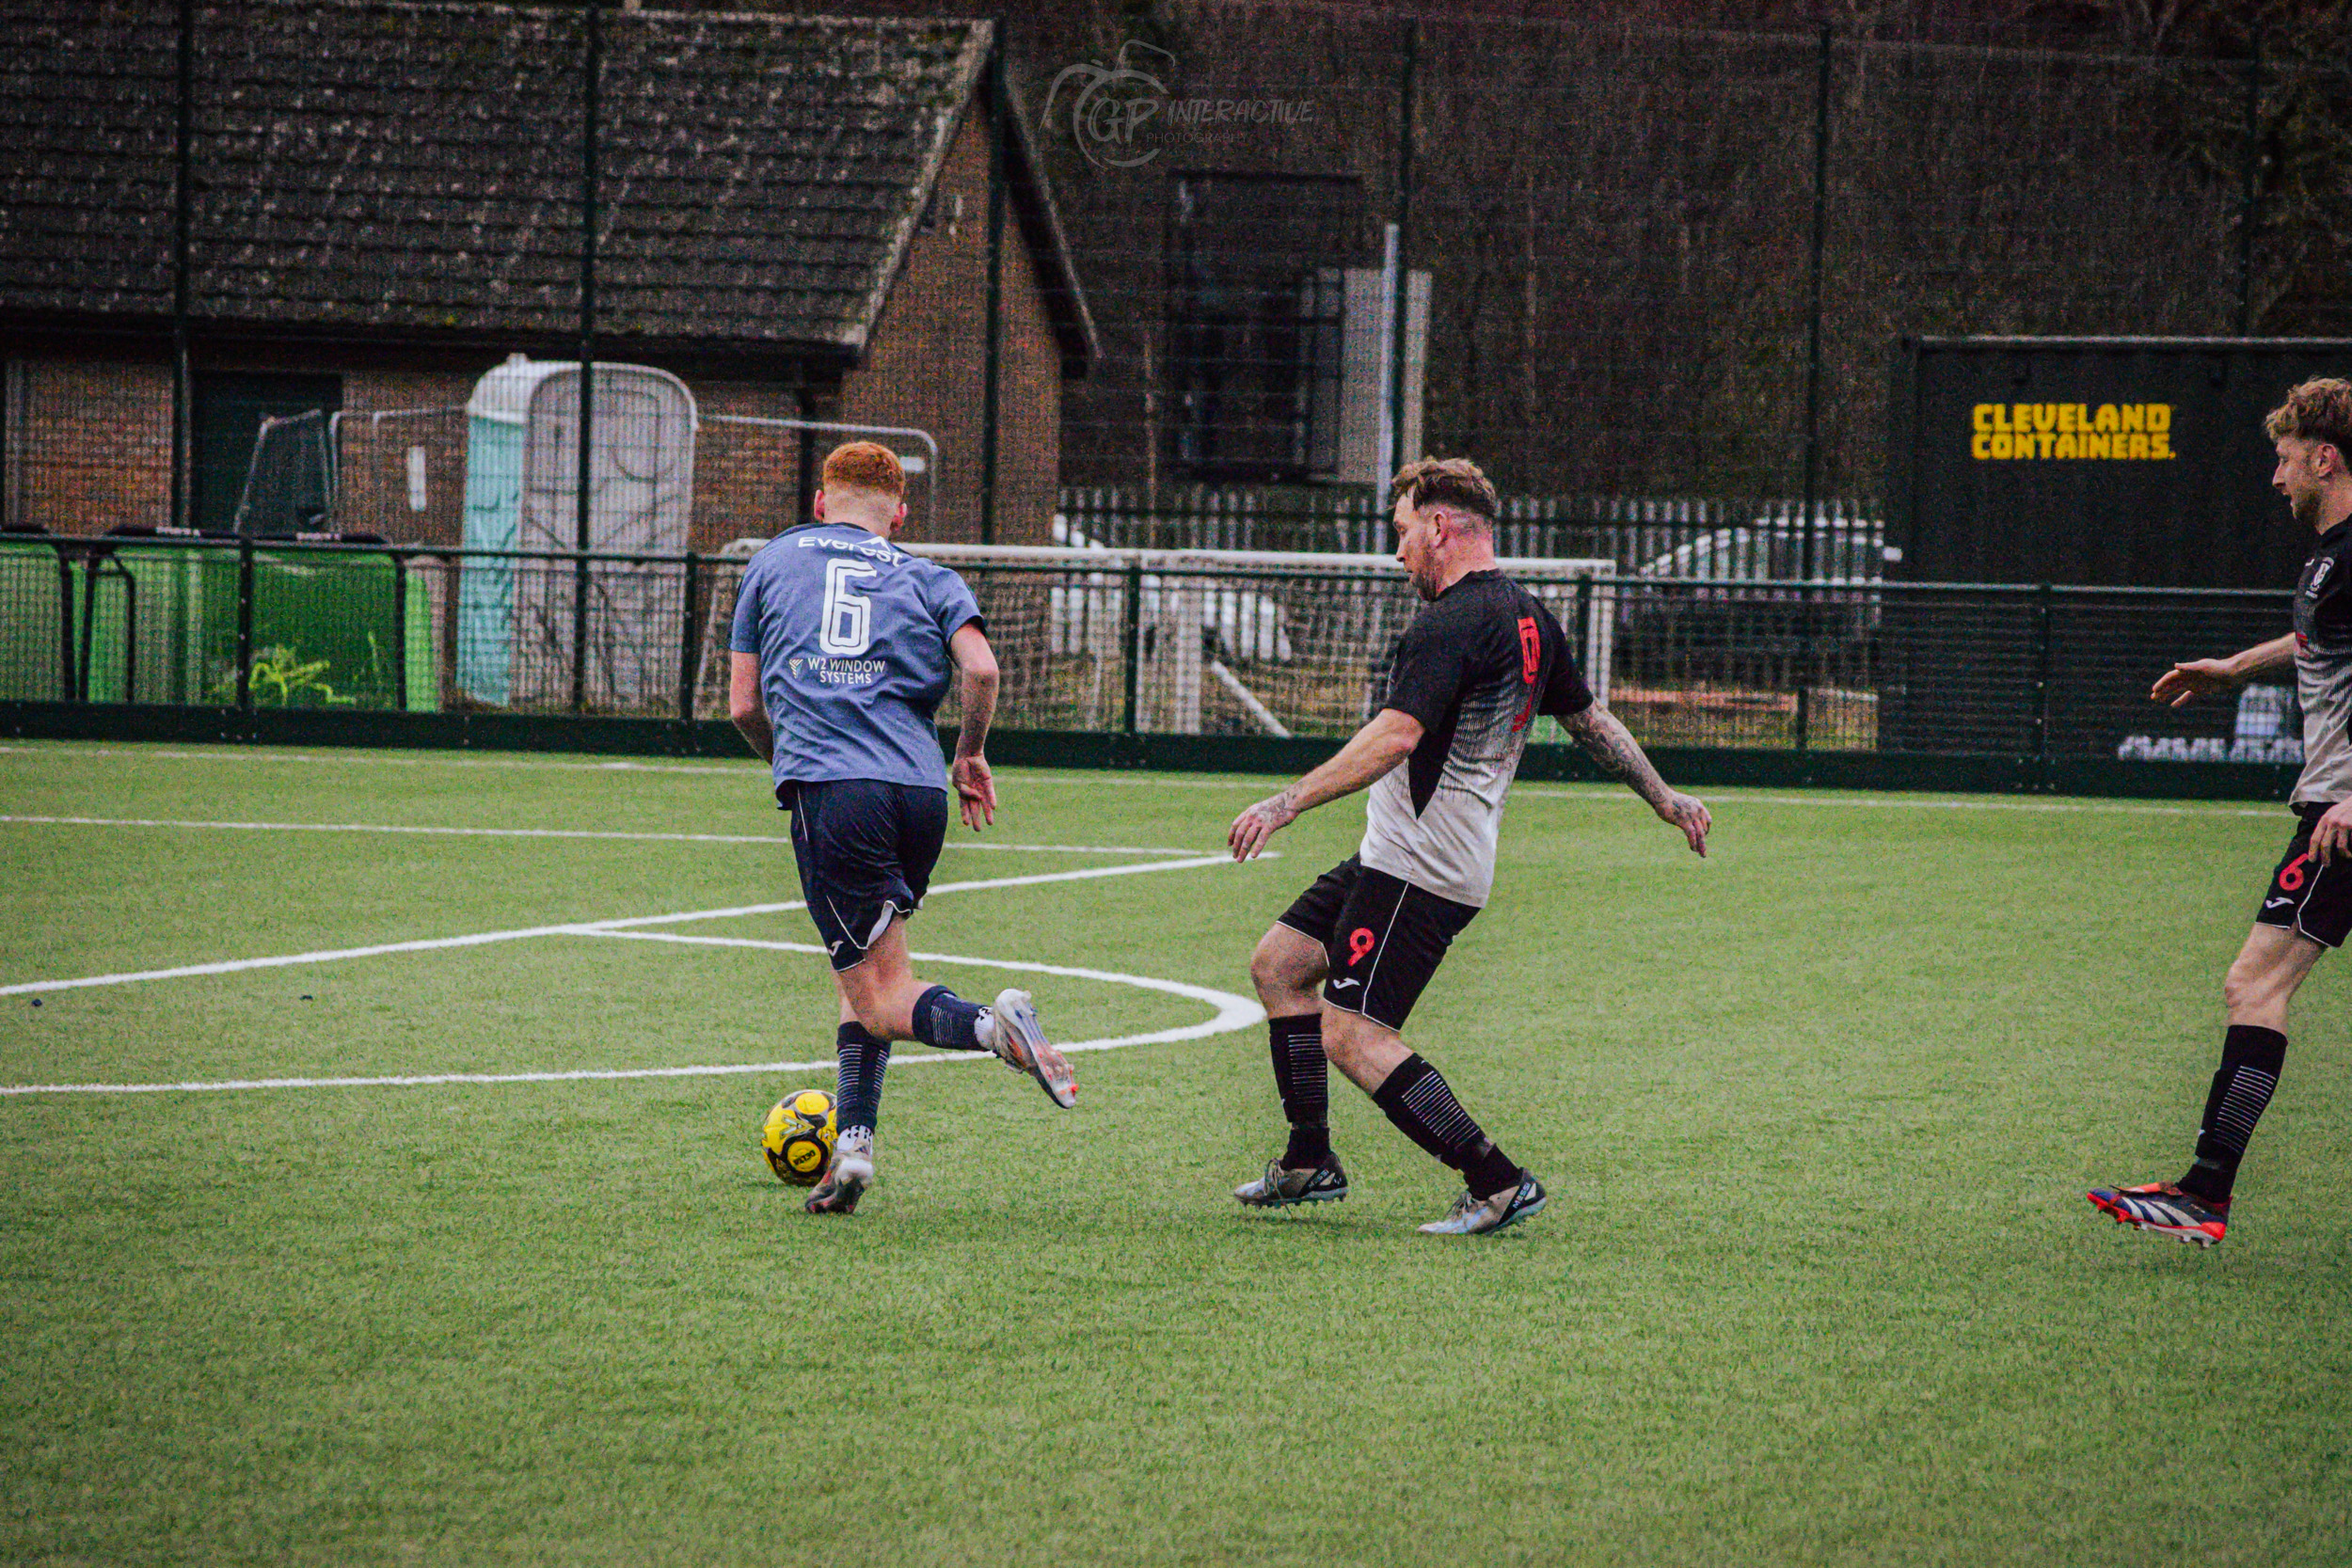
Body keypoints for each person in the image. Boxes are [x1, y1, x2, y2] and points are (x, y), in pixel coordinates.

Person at [1226, 457, 1712, 1235]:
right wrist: (1665, 795)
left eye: (1402, 532)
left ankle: (1496, 1179)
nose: (1398, 553)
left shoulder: (1447, 623)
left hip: (1422, 870)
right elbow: (1593, 722)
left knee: (1352, 1032)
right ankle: (1309, 1158)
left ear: (1439, 525)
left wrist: (1285, 803)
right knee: (1279, 965)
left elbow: (1395, 736)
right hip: (1397, 855)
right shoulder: (1527, 615)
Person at [728, 441, 1075, 1217]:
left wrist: (790, 765)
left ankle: (996, 1027)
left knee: (883, 994)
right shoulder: (927, 574)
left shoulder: (771, 561)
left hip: (836, 790)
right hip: (919, 794)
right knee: (869, 978)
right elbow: (981, 671)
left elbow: (744, 706)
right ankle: (852, 1149)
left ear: (821, 503)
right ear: (899, 514)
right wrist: (971, 753)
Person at [2091, 377, 2352, 1248]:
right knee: (2256, 983)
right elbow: (2318, 638)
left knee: (2256, 983)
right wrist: (2235, 668)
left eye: (2285, 461)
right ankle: (2202, 1192)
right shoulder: (2332, 557)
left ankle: (2205, 1193)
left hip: (2340, 816)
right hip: (2331, 807)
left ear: (2325, 457)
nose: (2277, 479)